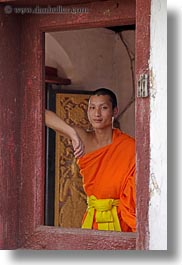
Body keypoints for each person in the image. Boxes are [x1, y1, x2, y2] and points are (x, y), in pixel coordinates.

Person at [45, 88, 136, 232]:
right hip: (93, 220)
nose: (97, 114)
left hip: (121, 220)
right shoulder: (84, 138)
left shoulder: (130, 146)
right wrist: (72, 134)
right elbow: (44, 115)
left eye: (104, 108)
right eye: (92, 108)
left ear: (115, 111)